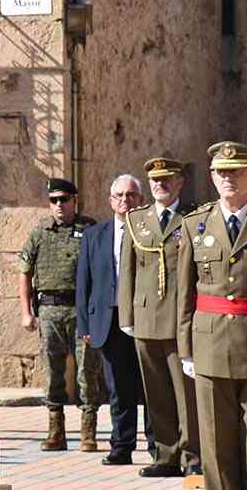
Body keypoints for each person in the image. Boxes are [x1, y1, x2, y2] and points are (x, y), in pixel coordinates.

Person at [178, 141, 247, 490]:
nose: (229, 178)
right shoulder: (194, 225)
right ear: (213, 177)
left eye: (237, 172)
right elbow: (184, 296)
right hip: (210, 346)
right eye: (221, 172)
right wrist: (185, 350)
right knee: (215, 443)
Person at [119, 157, 201, 478]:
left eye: (167, 179)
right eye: (154, 180)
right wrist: (126, 314)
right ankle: (165, 454)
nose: (160, 185)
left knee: (187, 394)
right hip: (146, 317)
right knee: (156, 393)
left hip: (181, 318)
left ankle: (192, 454)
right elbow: (126, 270)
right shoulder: (137, 220)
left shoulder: (193, 218)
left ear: (180, 182)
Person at [18, 178, 104, 452]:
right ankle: (56, 433)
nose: (58, 205)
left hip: (81, 310)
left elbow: (102, 271)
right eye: (53, 200)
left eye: (64, 199)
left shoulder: (90, 229)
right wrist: (26, 312)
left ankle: (88, 433)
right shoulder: (39, 233)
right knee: (52, 372)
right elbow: (25, 270)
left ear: (74, 200)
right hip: (49, 309)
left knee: (87, 370)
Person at [76, 174, 155, 466]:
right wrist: (84, 325)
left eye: (132, 195)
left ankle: (158, 448)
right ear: (111, 201)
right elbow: (83, 283)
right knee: (118, 389)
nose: (125, 200)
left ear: (141, 200)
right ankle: (121, 447)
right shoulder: (94, 236)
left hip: (146, 319)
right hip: (109, 321)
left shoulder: (151, 232)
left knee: (151, 386)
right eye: (119, 195)